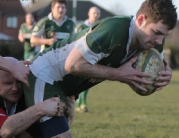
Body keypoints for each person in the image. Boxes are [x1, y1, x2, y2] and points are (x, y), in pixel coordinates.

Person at [23, 0, 176, 137]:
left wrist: (164, 75)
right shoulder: (114, 29)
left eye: (164, 35)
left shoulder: (154, 40)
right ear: (141, 20)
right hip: (47, 75)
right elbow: (72, 64)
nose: (159, 40)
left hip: (68, 88)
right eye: (156, 32)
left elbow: (155, 67)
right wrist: (118, 74)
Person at [0, 57, 66, 138]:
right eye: (8, 83)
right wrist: (41, 108)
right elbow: (4, 130)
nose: (15, 88)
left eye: (19, 81)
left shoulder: (26, 96)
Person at [75, 6, 101, 113]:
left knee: (88, 81)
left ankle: (82, 103)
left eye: (98, 13)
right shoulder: (81, 26)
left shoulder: (100, 27)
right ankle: (78, 103)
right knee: (79, 82)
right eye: (94, 13)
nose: (96, 15)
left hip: (92, 58)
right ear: (88, 14)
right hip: (79, 58)